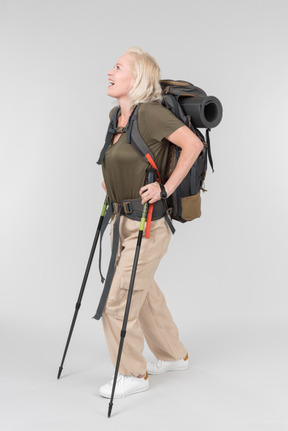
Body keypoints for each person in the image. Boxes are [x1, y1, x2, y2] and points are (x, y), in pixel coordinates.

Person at [98, 47, 203, 398]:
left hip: (148, 225)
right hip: (120, 220)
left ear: (137, 78)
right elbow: (125, 158)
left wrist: (165, 188)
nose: (110, 72)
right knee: (143, 294)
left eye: (118, 67)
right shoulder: (117, 115)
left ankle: (132, 374)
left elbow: (193, 145)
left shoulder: (151, 114)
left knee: (119, 300)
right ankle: (174, 355)